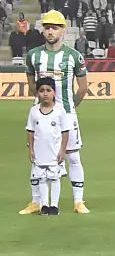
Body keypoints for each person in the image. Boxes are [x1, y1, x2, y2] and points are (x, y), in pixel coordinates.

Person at [23, 10, 90, 214]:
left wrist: (69, 108)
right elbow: (31, 84)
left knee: (73, 157)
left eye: (54, 28)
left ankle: (78, 201)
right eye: (47, 28)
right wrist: (42, 104)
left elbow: (83, 88)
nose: (50, 31)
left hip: (67, 113)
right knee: (37, 157)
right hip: (41, 115)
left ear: (63, 31)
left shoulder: (74, 56)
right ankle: (36, 201)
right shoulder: (34, 55)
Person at [25, 77, 71, 215]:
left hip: (54, 150)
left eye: (48, 90)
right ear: (37, 93)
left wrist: (62, 150)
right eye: (41, 91)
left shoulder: (59, 110)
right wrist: (31, 149)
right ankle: (44, 205)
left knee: (54, 177)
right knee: (41, 178)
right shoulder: (34, 111)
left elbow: (65, 131)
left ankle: (54, 205)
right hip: (40, 150)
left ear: (54, 92)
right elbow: (30, 131)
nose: (45, 94)